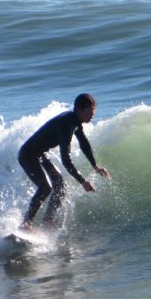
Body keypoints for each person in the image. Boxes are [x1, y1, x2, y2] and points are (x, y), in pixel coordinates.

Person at [18, 93, 110, 231]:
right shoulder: (66, 125)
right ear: (80, 110)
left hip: (39, 154)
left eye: (93, 112)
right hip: (28, 155)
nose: (92, 116)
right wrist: (83, 181)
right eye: (90, 112)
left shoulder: (75, 122)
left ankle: (47, 221)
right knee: (45, 187)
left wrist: (94, 165)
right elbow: (66, 160)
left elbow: (84, 143)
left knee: (60, 186)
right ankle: (26, 224)